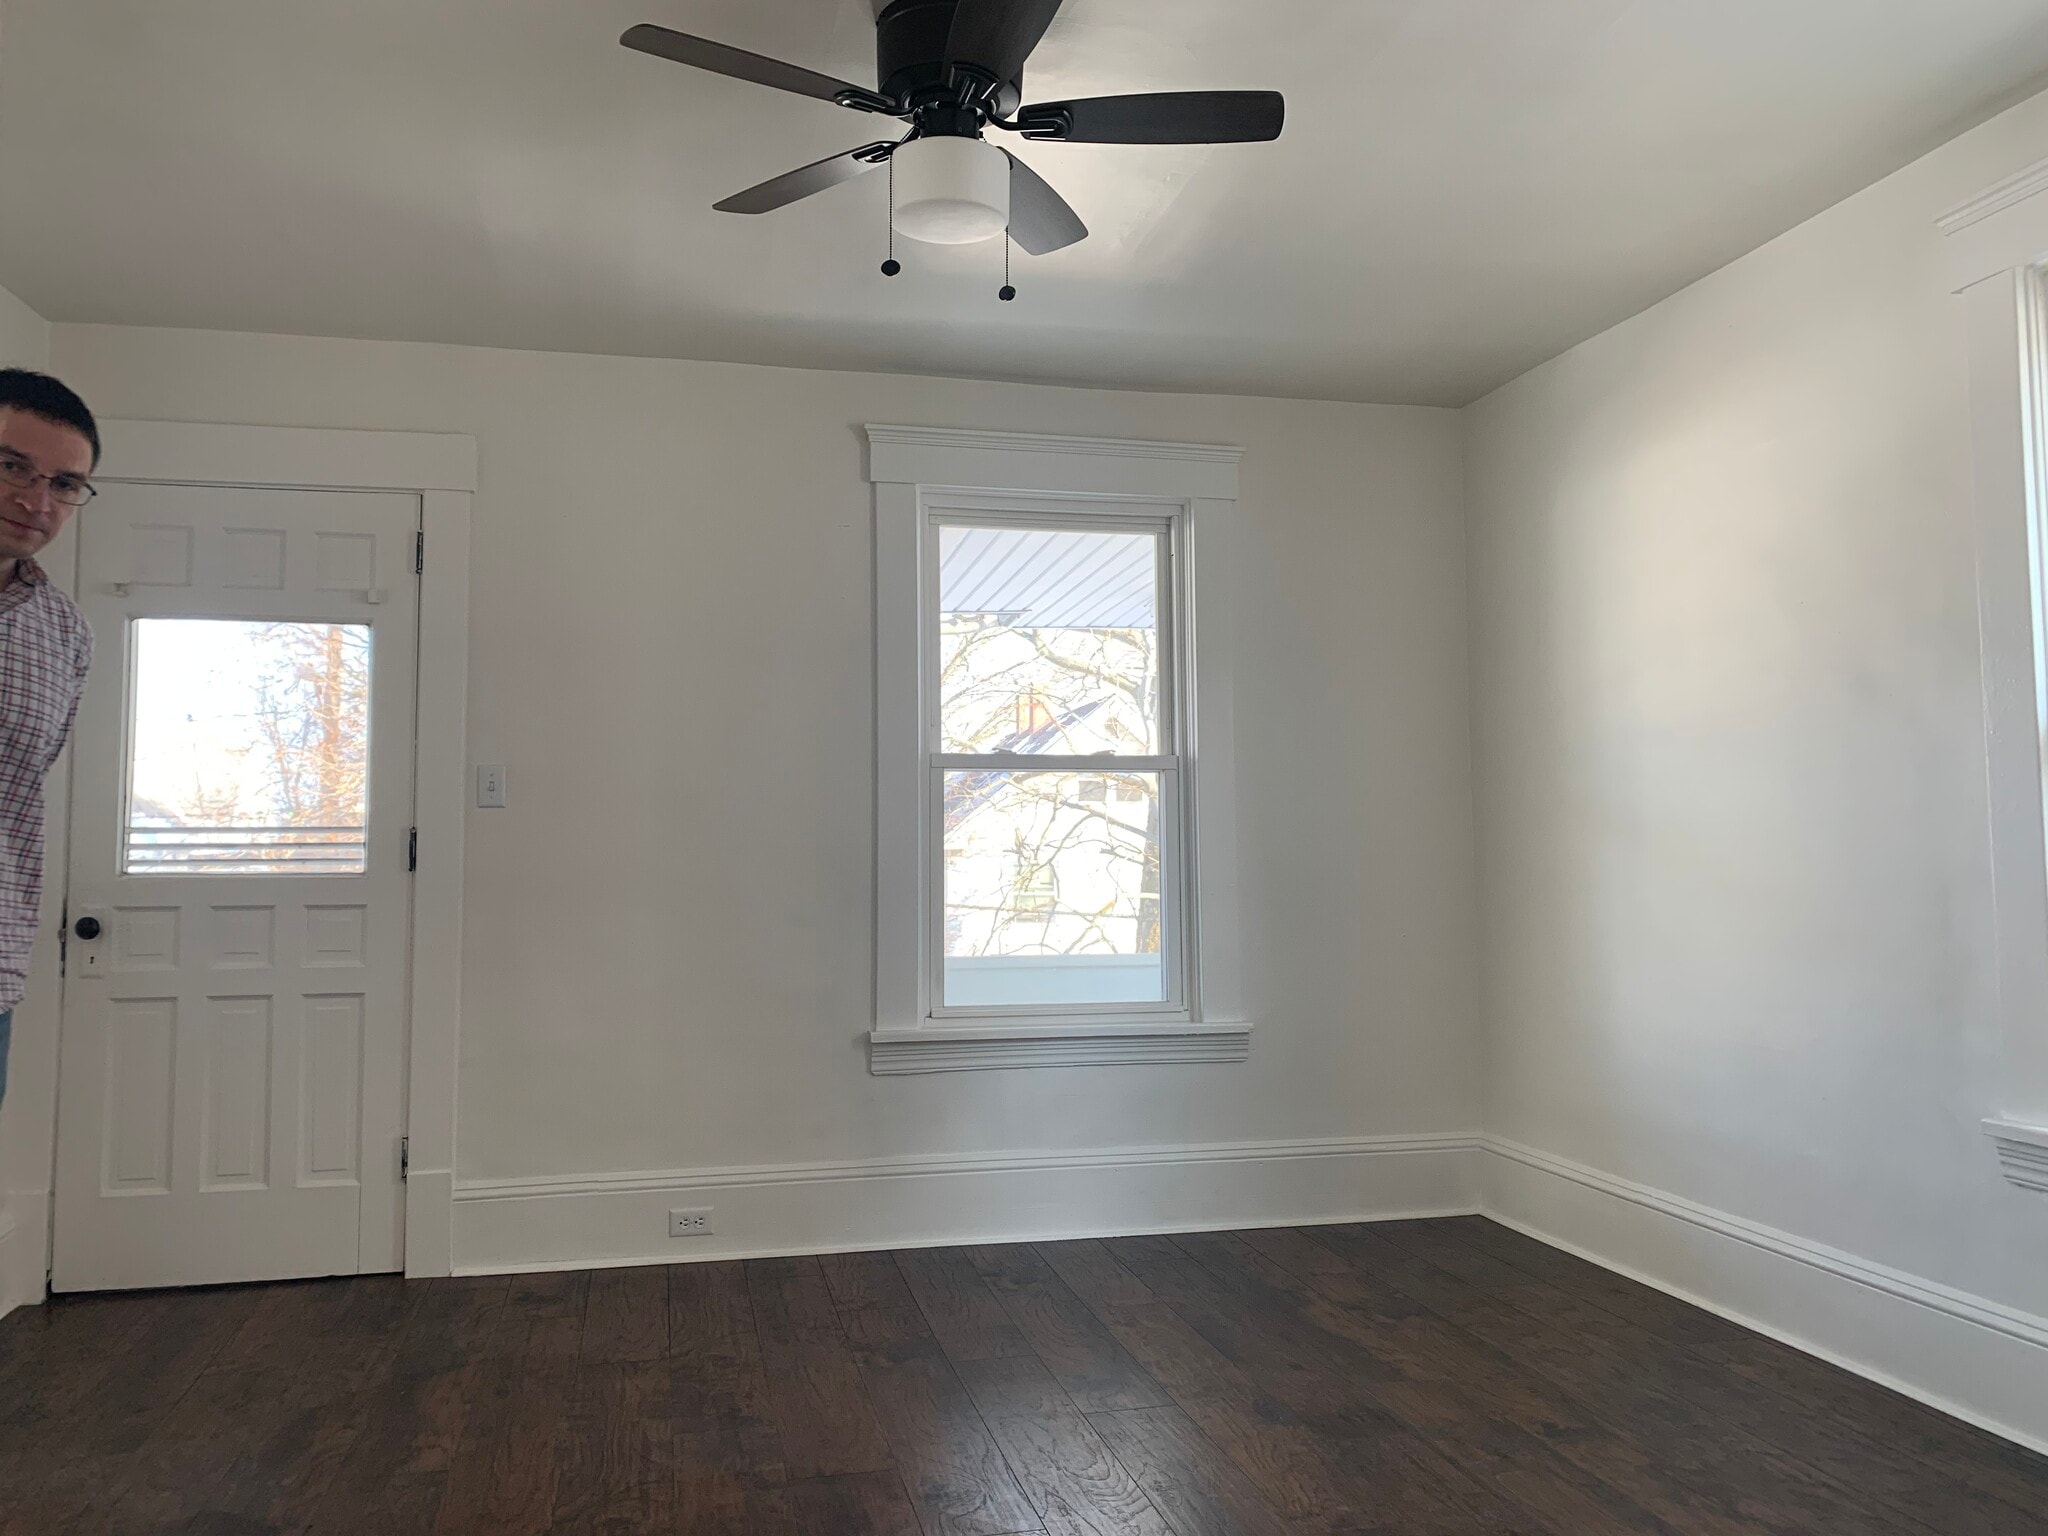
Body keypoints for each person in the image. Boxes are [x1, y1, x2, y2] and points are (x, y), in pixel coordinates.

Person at [0, 369, 98, 1110]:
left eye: (64, 484)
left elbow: (18, 793)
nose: (37, 501)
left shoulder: (63, 634)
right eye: (10, 467)